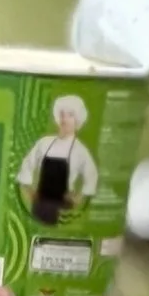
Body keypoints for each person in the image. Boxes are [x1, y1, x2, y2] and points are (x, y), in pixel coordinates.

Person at [16, 93, 101, 226]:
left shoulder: (80, 150)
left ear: (77, 120)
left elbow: (92, 175)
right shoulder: (44, 143)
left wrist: (78, 198)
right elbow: (26, 164)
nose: (64, 119)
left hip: (63, 210)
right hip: (39, 204)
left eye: (70, 115)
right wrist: (30, 192)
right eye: (62, 114)